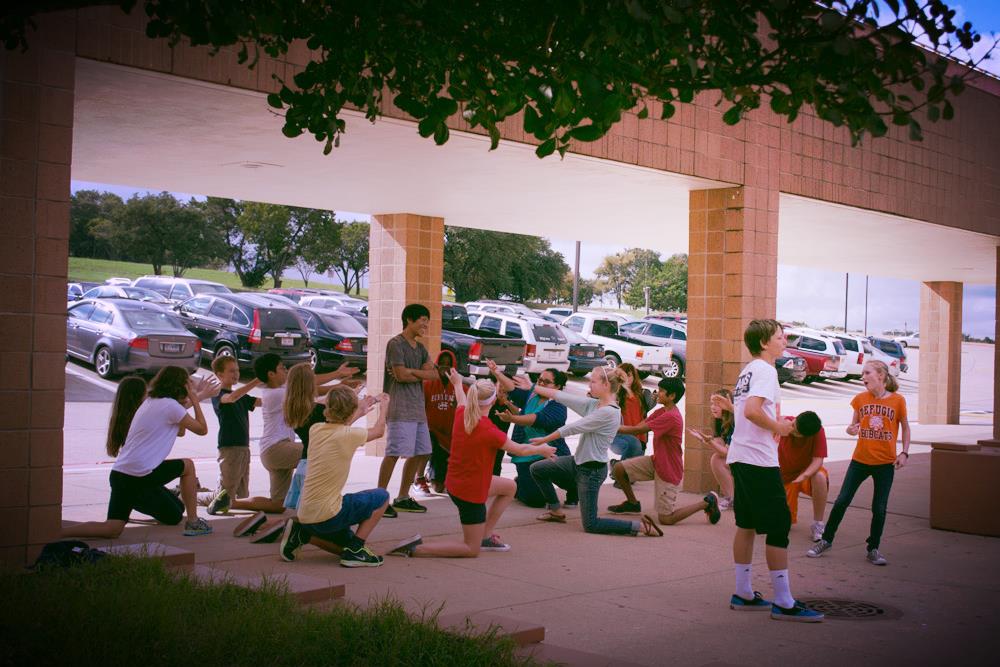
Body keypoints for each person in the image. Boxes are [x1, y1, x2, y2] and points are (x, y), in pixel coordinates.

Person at [388, 371, 557, 558]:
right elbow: (520, 450)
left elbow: (461, 397)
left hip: (461, 481)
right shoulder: (489, 430)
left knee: (509, 487)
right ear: (493, 402)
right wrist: (542, 449)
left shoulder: (462, 413)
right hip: (469, 492)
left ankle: (485, 535)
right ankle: (415, 549)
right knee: (470, 549)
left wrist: (457, 383)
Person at [723, 319, 823, 622]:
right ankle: (784, 601)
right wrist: (778, 426)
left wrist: (773, 426)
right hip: (757, 460)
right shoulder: (765, 371)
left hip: (740, 455)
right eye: (781, 336)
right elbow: (753, 411)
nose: (785, 339)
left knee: (747, 523)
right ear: (765, 343)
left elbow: (745, 411)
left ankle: (743, 592)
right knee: (779, 525)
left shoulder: (748, 370)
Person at [63, 369, 213, 539]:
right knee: (188, 466)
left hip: (121, 475)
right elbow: (202, 429)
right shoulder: (170, 406)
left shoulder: (152, 401)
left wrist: (194, 397)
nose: (191, 386)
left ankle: (57, 532)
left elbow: (180, 431)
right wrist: (195, 399)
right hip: (141, 475)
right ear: (180, 386)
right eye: (189, 383)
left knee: (114, 528)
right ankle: (193, 522)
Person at [528, 366, 663, 537]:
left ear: (606, 385)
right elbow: (562, 396)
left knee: (591, 524)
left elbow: (573, 427)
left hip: (591, 472)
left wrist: (543, 440)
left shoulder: (609, 412)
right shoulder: (595, 404)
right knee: (537, 469)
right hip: (576, 462)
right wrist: (531, 386)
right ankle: (555, 511)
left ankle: (639, 527)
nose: (589, 385)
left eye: (593, 381)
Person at [808, 360, 910, 566]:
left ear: (880, 376)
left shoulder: (898, 401)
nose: (862, 377)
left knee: (879, 508)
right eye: (862, 373)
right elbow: (852, 426)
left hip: (885, 463)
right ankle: (826, 540)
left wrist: (904, 453)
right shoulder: (860, 399)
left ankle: (873, 548)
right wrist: (850, 430)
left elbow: (906, 428)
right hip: (860, 460)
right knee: (842, 501)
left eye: (867, 373)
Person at [279, 386, 391, 567]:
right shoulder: (349, 435)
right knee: (382, 497)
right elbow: (378, 431)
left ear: (327, 409)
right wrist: (384, 406)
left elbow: (340, 427)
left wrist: (359, 411)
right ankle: (356, 550)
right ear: (351, 411)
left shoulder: (315, 430)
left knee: (343, 545)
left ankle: (301, 533)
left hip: (306, 515)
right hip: (328, 517)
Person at [607, 377, 722, 526]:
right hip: (656, 462)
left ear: (672, 396)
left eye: (661, 391)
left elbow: (637, 429)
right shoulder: (662, 411)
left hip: (668, 469)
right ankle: (632, 503)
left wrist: (609, 426)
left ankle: (707, 503)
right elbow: (640, 425)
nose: (658, 393)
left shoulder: (671, 417)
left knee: (666, 519)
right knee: (619, 469)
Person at [253, 354, 358, 515]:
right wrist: (338, 379)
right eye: (282, 368)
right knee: (319, 452)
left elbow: (309, 388)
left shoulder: (279, 390)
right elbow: (308, 388)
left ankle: (232, 502)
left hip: (274, 451)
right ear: (271, 374)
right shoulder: (277, 394)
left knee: (278, 505)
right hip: (277, 449)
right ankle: (323, 503)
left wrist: (339, 385)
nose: (285, 371)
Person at [378, 303, 441, 517]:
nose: (426, 325)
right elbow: (400, 376)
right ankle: (379, 500)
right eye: (422, 320)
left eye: (427, 321)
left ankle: (403, 497)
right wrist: (415, 372)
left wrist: (410, 371)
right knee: (394, 453)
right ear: (409, 320)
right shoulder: (395, 344)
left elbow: (433, 375)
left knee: (421, 451)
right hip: (399, 407)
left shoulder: (421, 348)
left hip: (417, 408)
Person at [488, 361, 574, 508]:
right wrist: (497, 372)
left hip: (551, 453)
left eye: (547, 382)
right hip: (527, 456)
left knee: (571, 479)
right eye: (540, 380)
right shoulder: (532, 396)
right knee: (537, 501)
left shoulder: (559, 406)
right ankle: (520, 484)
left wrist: (513, 418)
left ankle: (573, 492)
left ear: (557, 387)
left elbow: (537, 419)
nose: (541, 383)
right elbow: (512, 389)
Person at [204, 356, 279, 523]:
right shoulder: (219, 394)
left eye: (237, 370)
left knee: (243, 493)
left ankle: (200, 494)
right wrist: (255, 381)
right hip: (229, 447)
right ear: (219, 375)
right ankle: (191, 495)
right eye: (231, 371)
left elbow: (263, 402)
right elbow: (230, 399)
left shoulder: (242, 397)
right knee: (226, 494)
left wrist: (281, 392)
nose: (236, 374)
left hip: (244, 448)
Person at [777, 411, 828, 542]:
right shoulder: (783, 422)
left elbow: (818, 460)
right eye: (793, 424)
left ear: (803, 435)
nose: (791, 428)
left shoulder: (817, 431)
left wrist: (804, 475)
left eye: (795, 430)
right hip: (785, 477)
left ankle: (818, 524)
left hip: (805, 475)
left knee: (820, 477)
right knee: (783, 524)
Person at [688, 388, 736, 510]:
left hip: (749, 460)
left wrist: (708, 441)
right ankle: (732, 497)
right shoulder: (719, 420)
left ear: (727, 403)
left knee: (717, 460)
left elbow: (727, 453)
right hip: (737, 456)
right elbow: (719, 444)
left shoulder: (734, 421)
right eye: (712, 403)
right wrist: (704, 439)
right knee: (718, 444)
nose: (713, 407)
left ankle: (732, 498)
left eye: (717, 404)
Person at [420, 349, 459, 494]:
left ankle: (439, 476)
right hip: (432, 432)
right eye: (442, 364)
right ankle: (420, 478)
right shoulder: (428, 385)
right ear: (436, 365)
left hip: (451, 435)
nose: (445, 367)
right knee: (427, 446)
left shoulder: (459, 385)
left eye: (448, 364)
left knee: (441, 488)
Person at [609, 363, 651, 464]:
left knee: (635, 471)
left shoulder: (642, 394)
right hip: (620, 436)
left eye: (629, 375)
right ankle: (618, 468)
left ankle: (617, 466)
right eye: (622, 375)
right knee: (628, 465)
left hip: (640, 436)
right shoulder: (616, 393)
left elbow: (645, 411)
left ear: (634, 376)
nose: (626, 378)